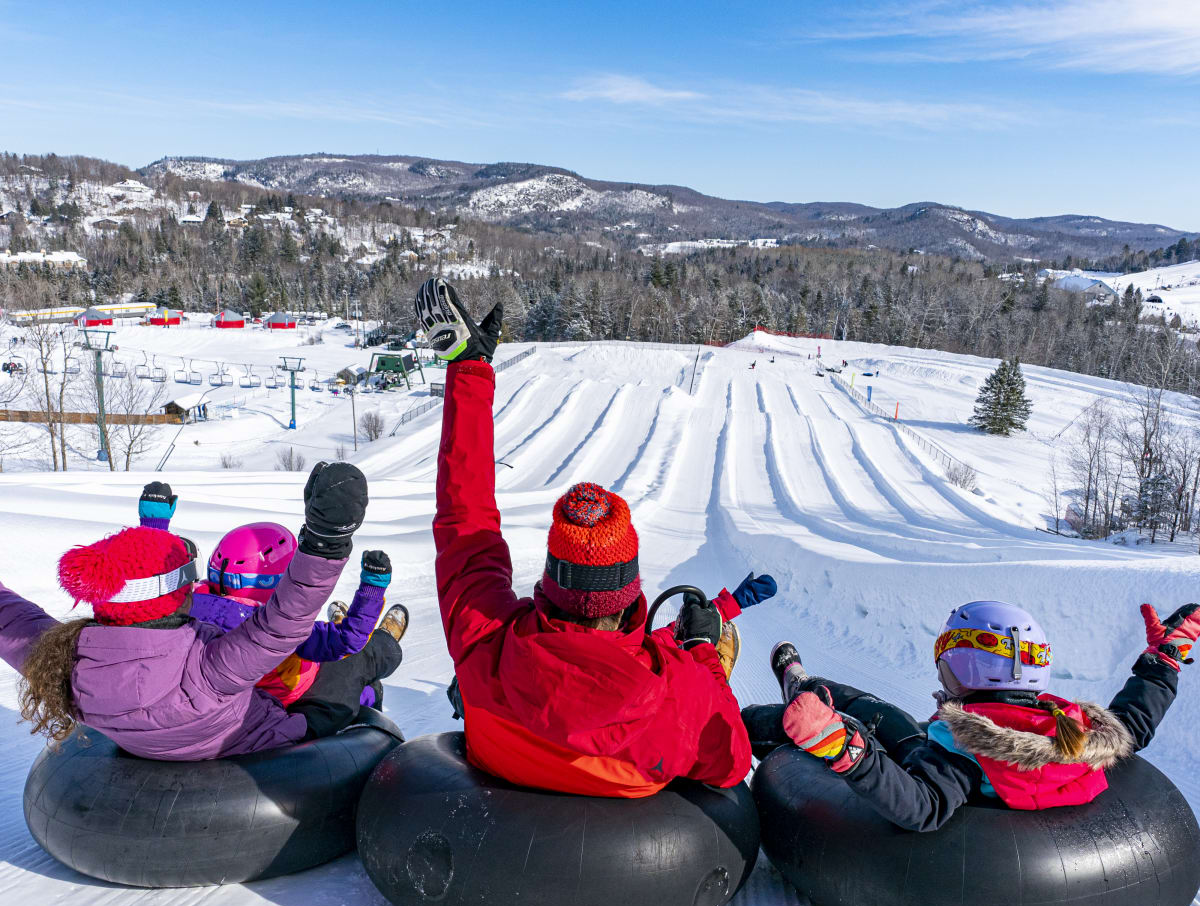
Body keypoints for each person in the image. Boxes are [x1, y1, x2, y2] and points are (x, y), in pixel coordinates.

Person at [415, 276, 767, 798]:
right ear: (630, 591)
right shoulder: (676, 690)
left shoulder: (484, 639)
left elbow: (465, 522)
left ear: (552, 579)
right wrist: (702, 652)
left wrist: (469, 367)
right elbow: (732, 759)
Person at [3, 462, 399, 759]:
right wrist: (325, 542)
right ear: (178, 592)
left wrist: (153, 528)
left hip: (153, 743)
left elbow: (11, 618)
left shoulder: (67, 661)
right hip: (264, 745)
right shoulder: (208, 668)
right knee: (350, 663)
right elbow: (284, 623)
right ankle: (386, 645)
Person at [741, 599, 1193, 832]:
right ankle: (805, 686)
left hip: (935, 783)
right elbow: (1133, 723)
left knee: (871, 715)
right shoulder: (1077, 731)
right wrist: (1164, 659)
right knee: (874, 711)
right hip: (1017, 785)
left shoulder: (964, 746)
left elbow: (924, 808)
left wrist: (847, 751)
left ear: (961, 667)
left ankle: (780, 700)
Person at [136, 483, 407, 710]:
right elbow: (349, 640)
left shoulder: (186, 603)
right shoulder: (281, 628)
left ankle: (359, 632)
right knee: (360, 668)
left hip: (216, 699)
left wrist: (154, 527)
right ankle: (385, 641)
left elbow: (152, 588)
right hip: (286, 698)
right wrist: (372, 589)